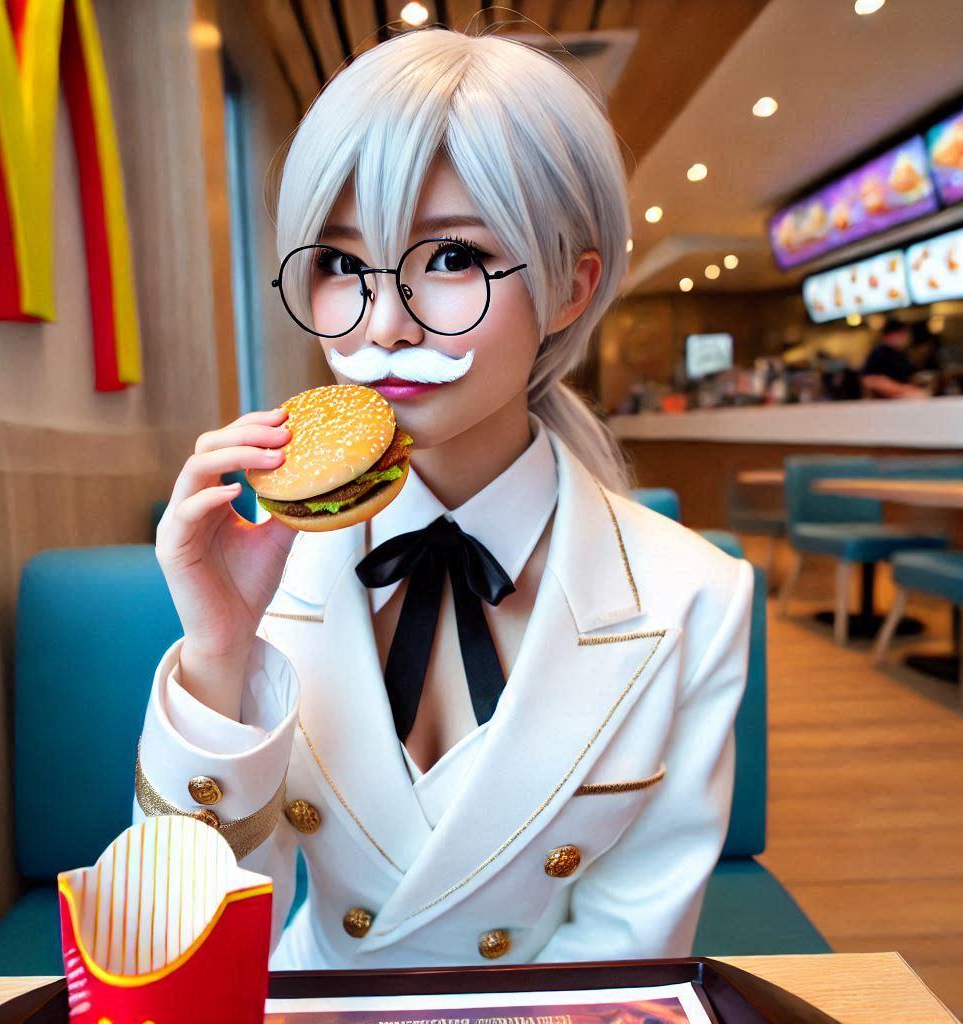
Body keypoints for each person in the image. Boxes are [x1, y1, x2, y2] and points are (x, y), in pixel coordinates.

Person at [134, 26, 753, 970]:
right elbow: (185, 942)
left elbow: (629, 953)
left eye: (453, 257)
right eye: (343, 264)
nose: (383, 325)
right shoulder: (261, 570)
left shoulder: (693, 596)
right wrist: (220, 657)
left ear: (569, 287)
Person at [860, 316, 927, 399]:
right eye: (904, 333)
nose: (907, 337)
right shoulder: (880, 353)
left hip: (902, 400)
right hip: (887, 402)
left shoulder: (900, 353)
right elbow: (870, 380)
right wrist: (903, 389)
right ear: (892, 334)